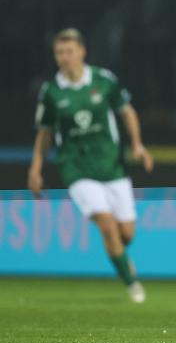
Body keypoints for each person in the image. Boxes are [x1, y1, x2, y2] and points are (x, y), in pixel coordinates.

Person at [28, 28, 154, 303]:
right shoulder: (51, 92)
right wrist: (35, 168)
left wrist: (137, 145)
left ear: (82, 52)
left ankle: (121, 258)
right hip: (76, 168)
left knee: (126, 233)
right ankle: (132, 284)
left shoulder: (104, 80)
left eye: (69, 51)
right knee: (107, 225)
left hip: (111, 166)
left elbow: (127, 112)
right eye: (59, 52)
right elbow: (45, 133)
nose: (64, 57)